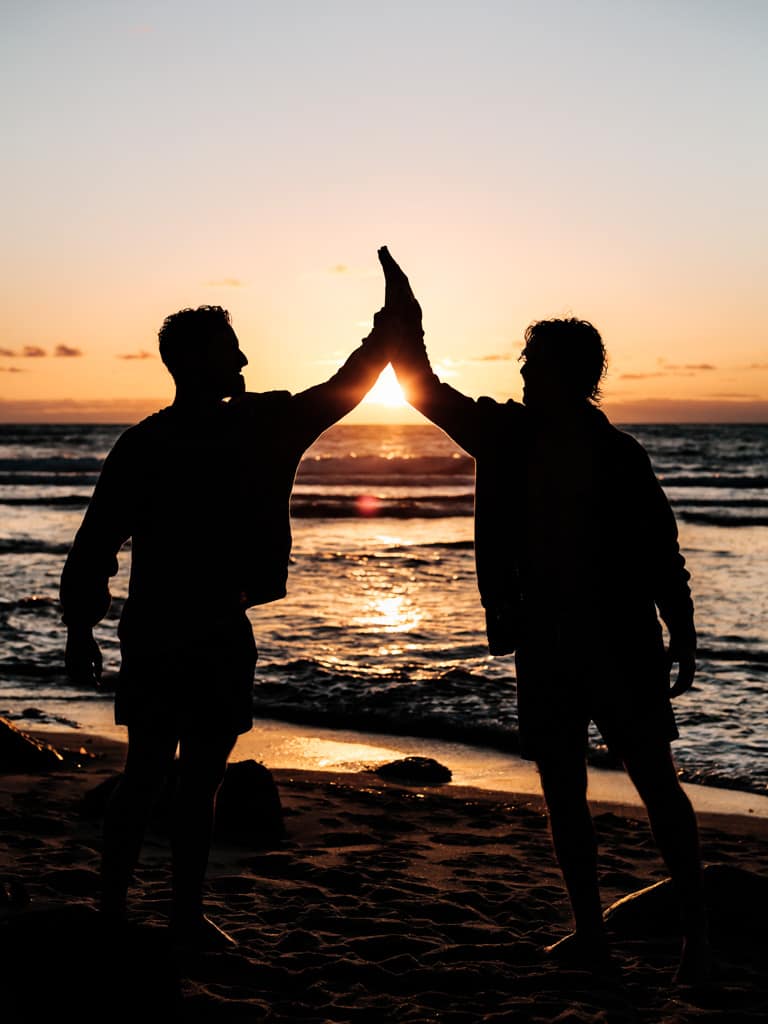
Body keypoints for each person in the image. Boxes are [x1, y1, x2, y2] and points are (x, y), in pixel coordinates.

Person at [380, 247, 713, 983]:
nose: (523, 376)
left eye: (533, 365)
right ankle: (592, 933)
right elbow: (424, 391)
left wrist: (682, 629)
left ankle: (696, 937)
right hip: (547, 641)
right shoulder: (511, 435)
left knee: (654, 782)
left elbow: (662, 551)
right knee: (565, 790)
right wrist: (406, 322)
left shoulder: (615, 454)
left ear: (568, 374)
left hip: (619, 642)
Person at [61, 297, 392, 949]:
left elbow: (94, 544)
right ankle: (134, 913)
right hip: (189, 628)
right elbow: (96, 543)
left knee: (173, 775)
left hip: (179, 625)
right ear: (189, 362)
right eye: (227, 348)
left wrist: (81, 625)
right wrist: (388, 335)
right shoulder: (242, 429)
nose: (242, 358)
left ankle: (147, 913)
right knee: (162, 774)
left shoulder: (154, 440)